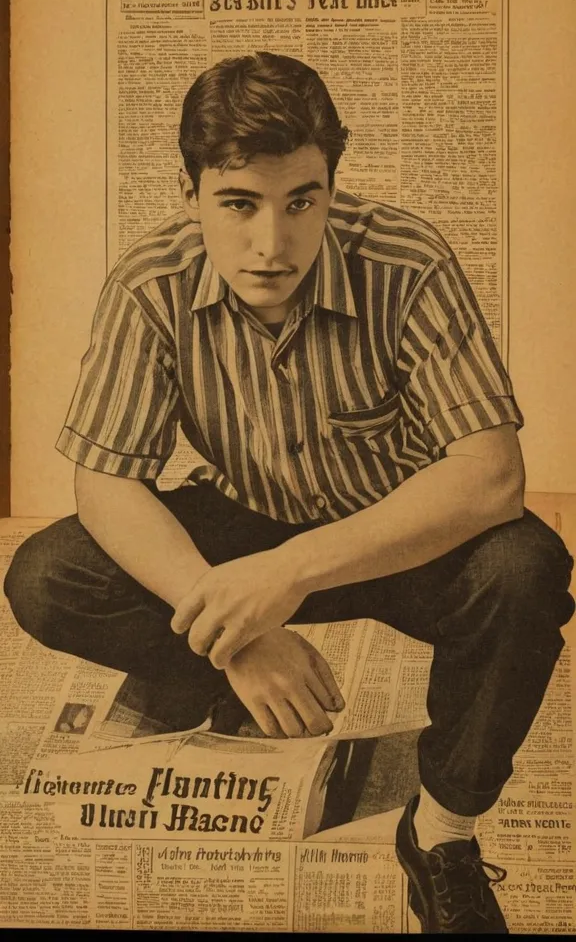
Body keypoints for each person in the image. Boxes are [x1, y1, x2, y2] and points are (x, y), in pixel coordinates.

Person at [4, 52, 574, 933]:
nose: (272, 243)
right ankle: (232, 676)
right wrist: (238, 634)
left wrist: (289, 574)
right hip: (245, 520)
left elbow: (492, 473)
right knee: (47, 576)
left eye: (302, 202)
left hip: (396, 534)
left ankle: (442, 836)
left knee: (526, 569)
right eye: (239, 203)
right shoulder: (149, 282)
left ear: (332, 189)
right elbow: (105, 477)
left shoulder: (407, 261)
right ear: (190, 193)